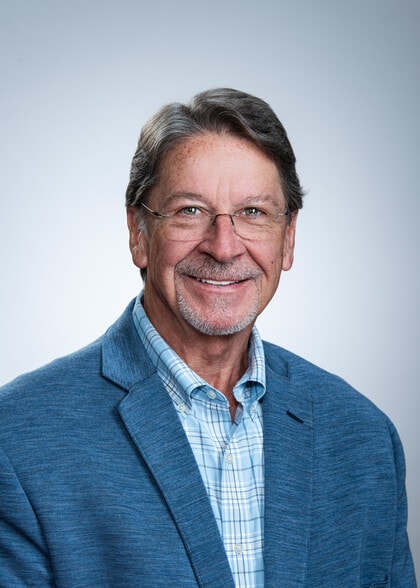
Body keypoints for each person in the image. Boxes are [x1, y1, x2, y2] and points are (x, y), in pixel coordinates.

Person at [0, 88, 416, 588]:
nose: (223, 246)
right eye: (190, 210)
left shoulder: (364, 439)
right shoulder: (19, 438)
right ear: (137, 232)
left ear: (288, 237)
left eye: (253, 212)